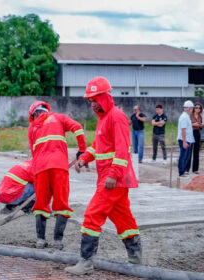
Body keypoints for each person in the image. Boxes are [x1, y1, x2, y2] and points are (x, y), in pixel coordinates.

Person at [65, 77, 141, 275]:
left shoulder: (116, 116)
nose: (92, 104)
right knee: (123, 218)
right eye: (89, 101)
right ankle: (135, 256)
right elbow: (99, 146)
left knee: (92, 215)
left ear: (105, 97)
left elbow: (122, 149)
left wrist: (113, 175)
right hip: (111, 178)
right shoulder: (103, 119)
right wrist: (85, 158)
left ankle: (86, 262)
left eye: (94, 99)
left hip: (113, 179)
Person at [28, 101, 87, 250]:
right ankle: (57, 241)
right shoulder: (60, 118)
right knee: (61, 203)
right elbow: (78, 128)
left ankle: (40, 240)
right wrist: (82, 151)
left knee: (41, 203)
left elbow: (34, 154)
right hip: (59, 166)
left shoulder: (32, 127)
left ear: (34, 113)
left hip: (40, 168)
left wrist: (35, 174)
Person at [177, 101, 195, 177]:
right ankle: (181, 172)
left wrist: (190, 140)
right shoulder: (184, 117)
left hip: (187, 140)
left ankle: (183, 171)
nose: (193, 110)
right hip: (183, 140)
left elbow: (188, 130)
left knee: (186, 156)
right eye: (192, 108)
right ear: (189, 108)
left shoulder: (187, 116)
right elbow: (183, 130)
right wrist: (184, 141)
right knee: (183, 156)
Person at [187, 103, 203, 174]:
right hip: (191, 133)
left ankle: (195, 169)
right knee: (189, 151)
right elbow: (187, 124)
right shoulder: (190, 115)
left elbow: (201, 126)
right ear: (194, 108)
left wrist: (199, 125)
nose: (197, 109)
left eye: (199, 108)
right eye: (196, 107)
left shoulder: (200, 116)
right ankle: (187, 169)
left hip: (197, 133)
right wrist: (194, 124)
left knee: (196, 151)